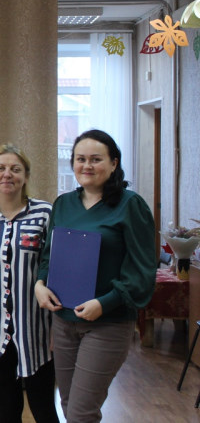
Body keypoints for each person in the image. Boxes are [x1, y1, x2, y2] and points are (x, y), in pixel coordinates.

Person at [35, 130, 156, 422]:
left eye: (96, 159)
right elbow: (50, 254)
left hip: (108, 323)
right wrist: (40, 283)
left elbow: (142, 269)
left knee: (81, 412)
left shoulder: (130, 205)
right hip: (64, 320)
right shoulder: (63, 203)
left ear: (114, 163)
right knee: (68, 404)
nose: (86, 165)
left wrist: (105, 302)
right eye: (80, 159)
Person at [0, 144, 58, 423]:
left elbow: (56, 269)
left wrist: (58, 328)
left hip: (37, 331)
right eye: (1, 168)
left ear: (26, 176)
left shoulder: (45, 214)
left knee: (44, 409)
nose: (8, 174)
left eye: (15, 169)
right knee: (7, 410)